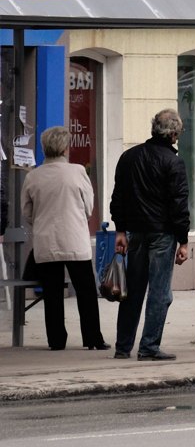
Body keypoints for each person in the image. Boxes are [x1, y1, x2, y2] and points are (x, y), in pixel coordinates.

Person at [111, 108, 191, 360]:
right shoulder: (173, 162)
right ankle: (149, 347)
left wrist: (120, 230)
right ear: (174, 134)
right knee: (160, 293)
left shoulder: (129, 157)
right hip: (162, 235)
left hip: (135, 233)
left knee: (132, 291)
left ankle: (123, 347)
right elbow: (179, 205)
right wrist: (184, 240)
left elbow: (118, 198)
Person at [21, 126, 108, 351]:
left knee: (52, 293)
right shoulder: (78, 172)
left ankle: (56, 340)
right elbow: (89, 206)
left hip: (46, 242)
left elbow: (27, 212)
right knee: (86, 291)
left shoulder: (33, 176)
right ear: (65, 148)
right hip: (75, 240)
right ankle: (92, 338)